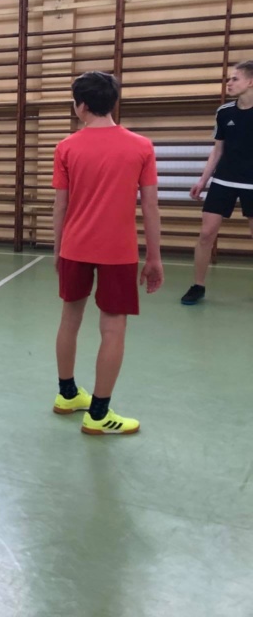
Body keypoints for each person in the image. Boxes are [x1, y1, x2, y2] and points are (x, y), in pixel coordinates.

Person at [51, 72, 163, 436]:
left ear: (81, 106)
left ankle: (67, 394)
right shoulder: (141, 146)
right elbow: (150, 207)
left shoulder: (66, 147)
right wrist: (154, 257)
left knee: (70, 318)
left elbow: (60, 205)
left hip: (74, 246)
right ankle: (98, 414)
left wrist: (58, 249)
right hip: (119, 251)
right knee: (113, 327)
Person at [180, 61, 253, 305]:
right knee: (206, 233)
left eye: (235, 79)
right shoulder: (224, 112)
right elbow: (218, 149)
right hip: (223, 180)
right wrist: (203, 180)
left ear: (250, 82)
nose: (229, 83)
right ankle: (198, 285)